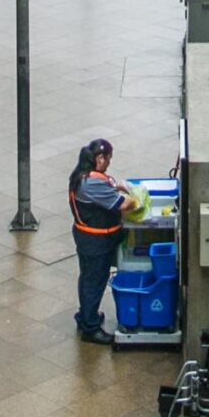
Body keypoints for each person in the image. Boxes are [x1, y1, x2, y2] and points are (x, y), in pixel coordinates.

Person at [68, 139, 131, 344]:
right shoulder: (91, 184)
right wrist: (136, 198)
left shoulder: (82, 176)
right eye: (108, 159)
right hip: (95, 241)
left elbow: (108, 184)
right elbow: (123, 204)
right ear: (100, 158)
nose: (109, 163)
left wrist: (116, 185)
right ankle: (90, 328)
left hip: (87, 238)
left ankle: (86, 315)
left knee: (87, 278)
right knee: (94, 281)